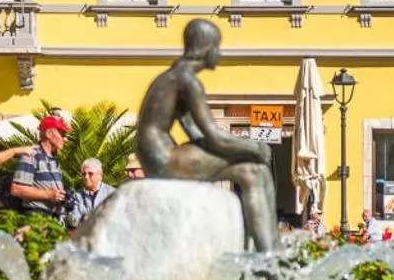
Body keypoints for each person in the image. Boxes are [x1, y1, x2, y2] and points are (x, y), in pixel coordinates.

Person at [135, 18, 278, 252]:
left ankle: (269, 251)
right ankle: (269, 256)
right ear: (206, 49)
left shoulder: (174, 76)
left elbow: (193, 130)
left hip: (158, 155)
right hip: (163, 158)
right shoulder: (188, 82)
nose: (219, 55)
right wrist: (254, 147)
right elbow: (215, 138)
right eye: (217, 47)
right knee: (255, 169)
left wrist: (237, 149)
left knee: (251, 173)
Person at [9, 114, 70, 216]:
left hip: (54, 218)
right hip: (37, 217)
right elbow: (16, 189)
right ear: (49, 133)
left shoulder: (54, 160)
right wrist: (49, 195)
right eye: (62, 134)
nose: (65, 139)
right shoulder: (31, 155)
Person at [65, 157, 114, 227]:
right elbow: (72, 218)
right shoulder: (76, 196)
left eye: (90, 174)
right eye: (84, 174)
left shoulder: (112, 193)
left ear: (100, 175)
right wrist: (83, 219)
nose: (86, 177)